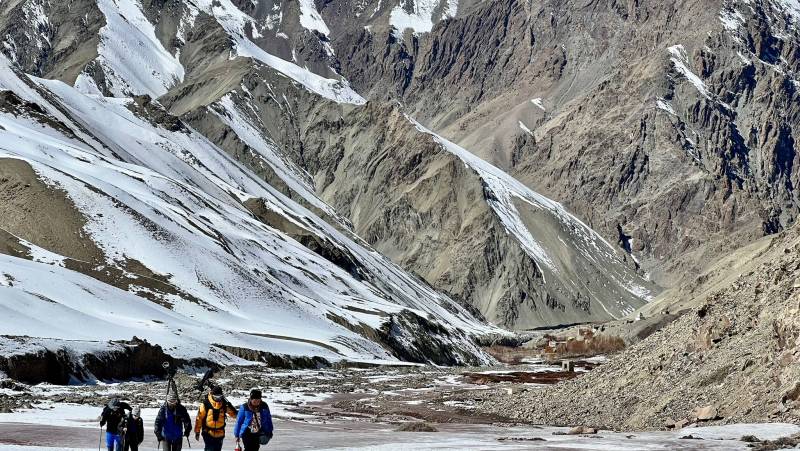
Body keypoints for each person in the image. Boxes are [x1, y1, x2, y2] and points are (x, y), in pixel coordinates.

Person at [194, 385, 238, 451]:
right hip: (208, 433)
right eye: (216, 397)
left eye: (219, 397)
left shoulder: (224, 405)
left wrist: (233, 409)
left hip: (220, 433)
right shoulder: (205, 404)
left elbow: (234, 415)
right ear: (212, 395)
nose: (218, 399)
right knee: (209, 449)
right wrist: (197, 432)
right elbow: (199, 418)